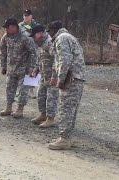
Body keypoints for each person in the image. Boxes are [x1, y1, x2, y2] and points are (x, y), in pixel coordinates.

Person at [47, 20, 85, 150]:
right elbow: (60, 60)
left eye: (50, 31)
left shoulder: (61, 38)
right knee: (71, 109)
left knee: (65, 109)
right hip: (77, 78)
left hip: (70, 79)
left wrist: (61, 80)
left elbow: (65, 60)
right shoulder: (69, 37)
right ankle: (67, 137)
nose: (49, 35)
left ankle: (64, 138)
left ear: (53, 30)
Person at [0, 18, 38, 118]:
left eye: (7, 28)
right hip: (11, 69)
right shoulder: (6, 37)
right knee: (9, 88)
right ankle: (8, 108)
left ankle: (20, 110)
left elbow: (33, 52)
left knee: (23, 90)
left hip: (24, 69)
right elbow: (3, 51)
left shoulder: (25, 37)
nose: (5, 30)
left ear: (13, 27)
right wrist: (3, 66)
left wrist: (31, 67)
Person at [30, 25, 59, 127]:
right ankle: (43, 115)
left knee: (51, 98)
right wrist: (37, 69)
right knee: (41, 95)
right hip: (44, 76)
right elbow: (41, 58)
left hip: (52, 77)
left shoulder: (50, 43)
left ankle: (50, 119)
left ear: (40, 33)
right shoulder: (41, 44)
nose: (33, 38)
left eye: (34, 36)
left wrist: (55, 76)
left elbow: (57, 59)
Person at [19, 9, 38, 99]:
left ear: (31, 16)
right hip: (23, 52)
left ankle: (31, 90)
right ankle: (21, 90)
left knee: (32, 69)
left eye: (27, 15)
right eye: (24, 15)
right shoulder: (20, 26)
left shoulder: (36, 26)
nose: (26, 17)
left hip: (34, 51)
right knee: (21, 70)